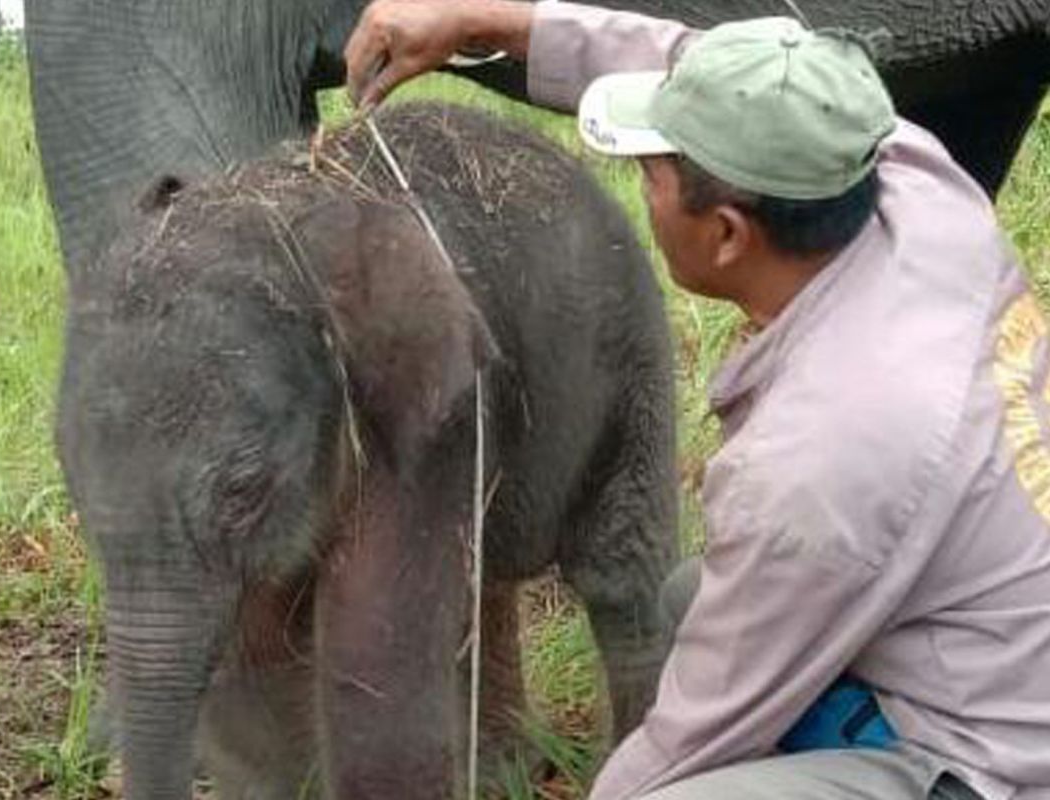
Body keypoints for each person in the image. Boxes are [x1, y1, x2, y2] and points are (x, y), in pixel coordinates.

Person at [343, 3, 1050, 800]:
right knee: (691, 600)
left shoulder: (819, 457)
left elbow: (693, 738)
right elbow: (694, 61)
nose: (640, 186)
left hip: (1000, 754)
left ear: (724, 235)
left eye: (651, 172)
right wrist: (488, 22)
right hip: (993, 627)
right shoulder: (908, 178)